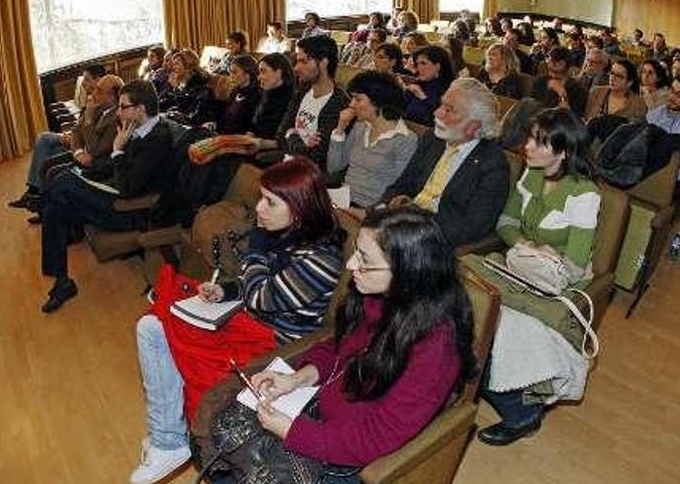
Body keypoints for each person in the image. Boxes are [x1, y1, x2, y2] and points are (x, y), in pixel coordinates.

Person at [193, 206, 475, 483]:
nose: (351, 265)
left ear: (407, 271)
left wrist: (292, 432)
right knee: (225, 426)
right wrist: (296, 379)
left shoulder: (436, 350)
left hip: (348, 452)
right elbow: (338, 345)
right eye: (356, 250)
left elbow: (375, 438)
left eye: (364, 259)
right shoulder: (379, 294)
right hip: (322, 409)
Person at [130, 158, 345, 484]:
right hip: (247, 324)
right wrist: (225, 289)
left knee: (156, 329)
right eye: (260, 198)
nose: (259, 209)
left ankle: (168, 440)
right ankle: (168, 435)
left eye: (270, 202)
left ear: (299, 209)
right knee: (152, 325)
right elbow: (251, 288)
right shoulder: (286, 234)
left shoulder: (321, 259)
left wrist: (255, 250)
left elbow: (261, 296)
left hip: (277, 350)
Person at [474, 108, 601, 446]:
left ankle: (521, 414)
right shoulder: (531, 173)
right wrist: (528, 245)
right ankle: (477, 379)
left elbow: (573, 263)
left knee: (500, 326)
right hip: (521, 266)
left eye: (537, 141)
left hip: (560, 283)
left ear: (562, 152)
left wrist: (532, 252)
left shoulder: (584, 194)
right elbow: (506, 223)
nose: (526, 146)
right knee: (470, 303)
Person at [38, 80, 173, 313]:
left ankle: (40, 203)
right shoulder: (138, 127)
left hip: (129, 210)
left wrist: (118, 149)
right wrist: (89, 171)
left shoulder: (157, 139)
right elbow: (114, 170)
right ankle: (62, 283)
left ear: (141, 108)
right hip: (114, 194)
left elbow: (128, 187)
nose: (118, 112)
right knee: (54, 209)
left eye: (123, 106)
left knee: (61, 184)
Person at [380, 78, 510, 248]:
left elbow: (472, 228)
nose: (437, 113)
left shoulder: (492, 164)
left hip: (431, 241)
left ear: (473, 126)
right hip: (398, 223)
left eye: (448, 110)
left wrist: (413, 222)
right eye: (442, 105)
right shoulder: (432, 140)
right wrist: (380, 208)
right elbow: (402, 184)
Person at [9, 64, 106, 209]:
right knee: (49, 151)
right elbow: (80, 124)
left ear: (98, 79)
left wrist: (75, 140)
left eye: (87, 80)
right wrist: (72, 134)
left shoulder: (102, 102)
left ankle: (36, 195)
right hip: (78, 139)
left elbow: (92, 134)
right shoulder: (92, 98)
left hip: (84, 146)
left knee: (45, 139)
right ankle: (41, 200)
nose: (84, 84)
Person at [327, 70, 418, 210]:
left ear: (378, 101)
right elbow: (334, 167)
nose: (351, 104)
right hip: (342, 200)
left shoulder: (404, 140)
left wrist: (364, 212)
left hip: (370, 210)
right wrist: (340, 129)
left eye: (358, 99)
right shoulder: (361, 127)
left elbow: (399, 191)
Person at [274, 35, 350, 168]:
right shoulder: (302, 91)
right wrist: (298, 140)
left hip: (307, 176)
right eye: (297, 62)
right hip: (285, 165)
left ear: (323, 63)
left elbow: (315, 155)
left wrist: (291, 133)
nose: (296, 68)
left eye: (303, 62)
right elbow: (280, 135)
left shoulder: (339, 103)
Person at [204, 55, 262, 134]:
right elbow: (225, 117)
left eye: (234, 72)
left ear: (247, 74)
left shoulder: (256, 95)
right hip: (223, 135)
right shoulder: (235, 91)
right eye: (230, 72)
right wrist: (215, 124)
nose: (231, 76)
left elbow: (247, 127)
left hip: (238, 140)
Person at [403, 45, 456, 127]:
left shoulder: (451, 91)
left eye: (423, 63)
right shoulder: (418, 84)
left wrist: (423, 97)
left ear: (438, 66)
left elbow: (440, 122)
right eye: (417, 64)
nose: (419, 68)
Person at [530, 47, 588, 117]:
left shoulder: (578, 90)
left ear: (570, 69)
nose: (553, 65)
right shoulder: (541, 81)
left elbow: (571, 119)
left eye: (559, 74)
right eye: (551, 62)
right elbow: (531, 106)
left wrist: (562, 93)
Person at [159, 48, 211, 125]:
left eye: (177, 64)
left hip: (189, 122)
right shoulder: (181, 81)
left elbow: (186, 106)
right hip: (173, 116)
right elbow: (166, 100)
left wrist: (176, 89)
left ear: (187, 66)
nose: (173, 67)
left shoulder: (198, 82)